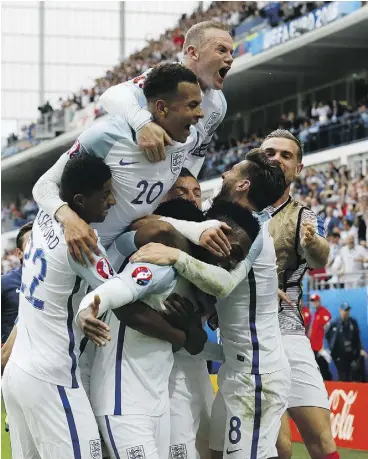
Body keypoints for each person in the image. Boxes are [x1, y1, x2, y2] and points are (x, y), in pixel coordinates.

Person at [130, 151, 291, 459]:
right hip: (235, 368)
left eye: (230, 171)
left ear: (243, 185)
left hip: (257, 374)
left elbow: (223, 283)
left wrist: (175, 256)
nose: (223, 175)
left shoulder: (253, 232)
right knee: (213, 454)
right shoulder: (225, 220)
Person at [32, 63, 229, 266]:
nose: (200, 114)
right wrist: (70, 221)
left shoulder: (189, 138)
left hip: (120, 254)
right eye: (192, 105)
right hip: (73, 251)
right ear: (162, 108)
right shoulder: (106, 136)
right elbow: (44, 185)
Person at [2, 154, 119, 459]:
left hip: (19, 372)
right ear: (80, 199)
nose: (113, 201)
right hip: (52, 378)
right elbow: (125, 294)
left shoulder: (43, 217)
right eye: (105, 194)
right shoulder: (83, 244)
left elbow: (44, 184)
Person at [260, 129, 338, 459]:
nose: (276, 159)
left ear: (298, 169)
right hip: (249, 336)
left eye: (285, 155)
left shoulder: (302, 216)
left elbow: (319, 257)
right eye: (270, 153)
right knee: (278, 447)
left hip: (289, 333)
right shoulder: (224, 207)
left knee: (322, 441)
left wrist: (315, 243)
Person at [99, 20, 234, 175]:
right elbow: (110, 96)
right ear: (193, 53)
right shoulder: (165, 78)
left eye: (232, 52)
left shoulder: (219, 106)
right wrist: (142, 124)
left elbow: (196, 154)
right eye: (222, 50)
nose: (230, 58)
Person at [1, 221, 33, 344]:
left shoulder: (53, 284)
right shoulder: (4, 283)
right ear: (19, 253)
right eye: (31, 243)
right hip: (11, 359)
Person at [326, 303, 368, 382]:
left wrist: (361, 349)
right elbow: (327, 335)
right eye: (345, 310)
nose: (346, 312)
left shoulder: (353, 322)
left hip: (351, 354)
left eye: (348, 310)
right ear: (340, 311)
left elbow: (357, 337)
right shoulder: (334, 323)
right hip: (339, 356)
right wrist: (332, 348)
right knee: (343, 377)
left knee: (354, 375)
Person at [308, 294, 332, 381]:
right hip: (314, 347)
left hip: (321, 349)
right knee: (317, 371)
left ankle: (329, 389)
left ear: (319, 301)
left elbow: (327, 330)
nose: (314, 303)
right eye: (312, 301)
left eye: (315, 301)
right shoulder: (315, 313)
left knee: (324, 370)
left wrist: (324, 346)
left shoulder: (324, 312)